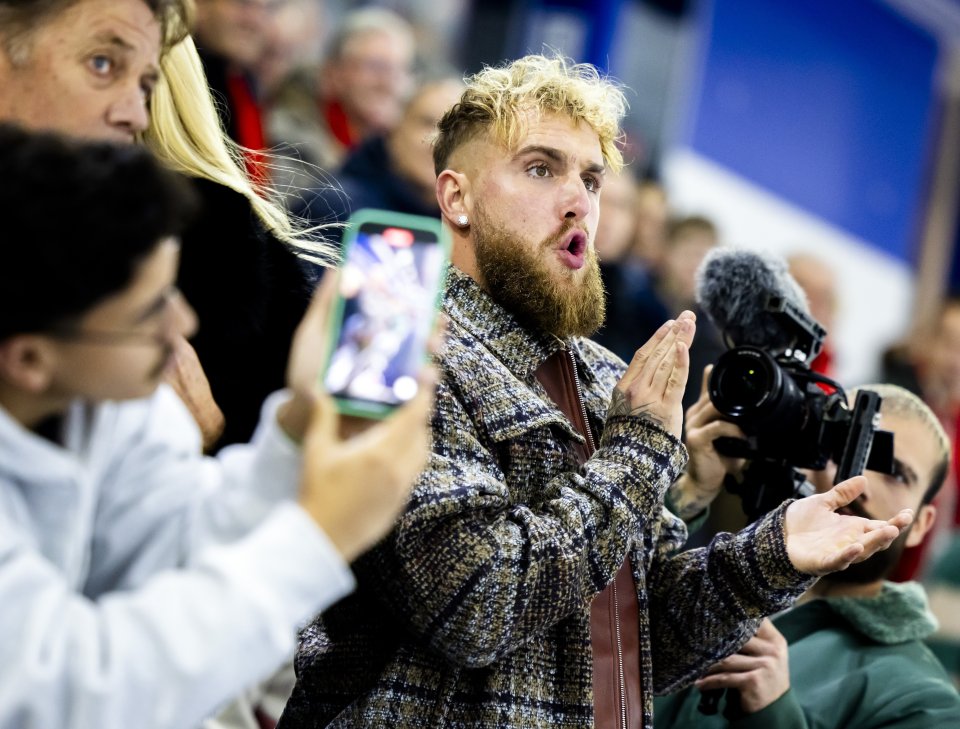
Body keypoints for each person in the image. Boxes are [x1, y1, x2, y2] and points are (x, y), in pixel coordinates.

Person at [278, 55, 912, 729]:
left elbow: (632, 644)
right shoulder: (402, 341)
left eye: (591, 178)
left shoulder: (609, 376)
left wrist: (768, 555)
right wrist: (639, 451)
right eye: (540, 168)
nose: (579, 200)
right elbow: (473, 603)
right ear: (456, 197)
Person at [0, 124, 436, 729]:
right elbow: (74, 692)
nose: (182, 320)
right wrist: (320, 536)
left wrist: (298, 418)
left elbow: (175, 540)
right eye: (150, 308)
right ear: (29, 360)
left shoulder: (102, 403)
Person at [654, 383, 960, 728]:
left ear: (922, 523)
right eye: (841, 446)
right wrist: (690, 491)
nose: (857, 480)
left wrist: (772, 712)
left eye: (894, 472)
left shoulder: (922, 699)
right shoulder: (709, 577)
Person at [267, 6, 416, 191]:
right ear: (333, 74)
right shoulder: (289, 143)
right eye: (375, 67)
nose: (388, 84)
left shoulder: (412, 158)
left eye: (400, 70)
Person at [296, 76, 464, 227]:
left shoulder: (468, 225)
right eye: (427, 123)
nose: (439, 142)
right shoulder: (333, 209)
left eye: (457, 131)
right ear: (395, 127)